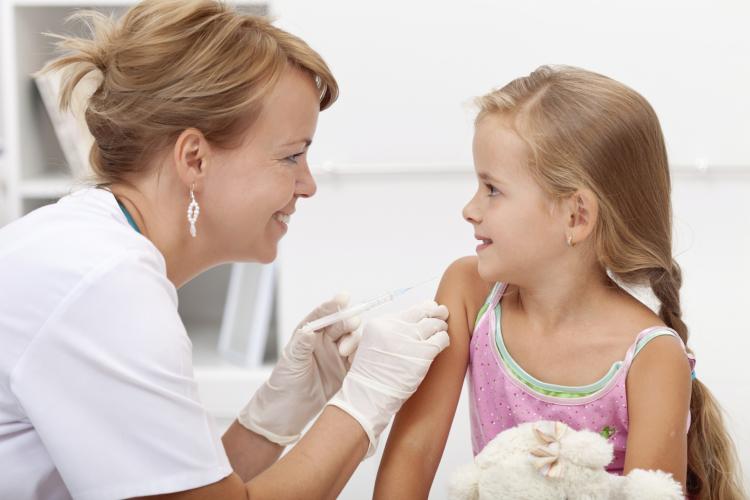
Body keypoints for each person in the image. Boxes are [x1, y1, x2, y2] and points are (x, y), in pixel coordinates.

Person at [0, 1, 450, 499]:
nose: (307, 185)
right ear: (195, 158)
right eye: (291, 156)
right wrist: (363, 403)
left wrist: (276, 413)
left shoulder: (91, 249)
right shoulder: (105, 285)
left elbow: (186, 490)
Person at [373, 65, 745, 500]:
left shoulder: (651, 358)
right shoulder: (469, 291)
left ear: (575, 216)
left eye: (492, 189)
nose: (470, 209)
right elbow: (414, 451)